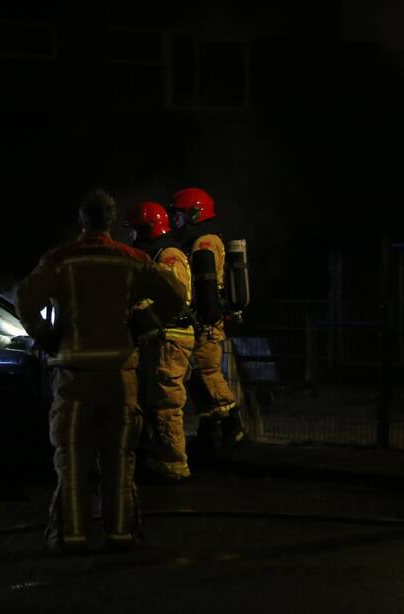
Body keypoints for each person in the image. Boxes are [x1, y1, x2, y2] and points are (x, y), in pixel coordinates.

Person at [16, 189, 187, 553]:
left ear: (82, 220)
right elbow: (176, 296)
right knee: (118, 461)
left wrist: (46, 337)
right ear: (111, 222)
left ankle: (71, 537)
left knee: (72, 463)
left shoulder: (61, 260)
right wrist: (143, 325)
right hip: (119, 378)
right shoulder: (132, 259)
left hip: (73, 378)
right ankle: (120, 534)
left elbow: (25, 297)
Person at [168, 187, 246, 457]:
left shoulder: (204, 241)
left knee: (207, 372)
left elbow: (206, 286)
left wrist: (205, 315)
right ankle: (209, 433)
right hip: (202, 317)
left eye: (179, 213)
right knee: (198, 377)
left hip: (207, 320)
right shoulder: (197, 239)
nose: (174, 219)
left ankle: (234, 427)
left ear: (195, 213)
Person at [130, 201, 195, 481]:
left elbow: (176, 299)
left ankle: (174, 464)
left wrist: (145, 311)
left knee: (166, 402)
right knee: (153, 399)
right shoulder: (155, 255)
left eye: (134, 230)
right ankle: (158, 456)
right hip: (159, 338)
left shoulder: (168, 255)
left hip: (170, 337)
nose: (132, 236)